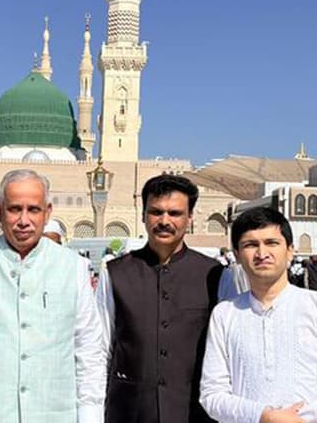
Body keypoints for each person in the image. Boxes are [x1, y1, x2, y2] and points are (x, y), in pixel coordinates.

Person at [0, 168, 107, 423]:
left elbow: (89, 350)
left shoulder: (72, 267)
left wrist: (90, 417)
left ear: (47, 212)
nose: (24, 220)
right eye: (15, 209)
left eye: (33, 210)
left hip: (54, 414)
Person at [200, 207, 317, 422]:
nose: (262, 253)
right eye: (251, 245)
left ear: (290, 250)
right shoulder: (225, 314)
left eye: (271, 243)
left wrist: (303, 417)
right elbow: (212, 395)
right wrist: (261, 416)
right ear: (237, 255)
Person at [96, 174, 223, 423]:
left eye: (175, 213)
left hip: (194, 413)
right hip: (130, 412)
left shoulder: (215, 274)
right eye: (156, 212)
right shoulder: (115, 273)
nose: (164, 221)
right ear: (143, 215)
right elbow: (101, 349)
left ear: (190, 218)